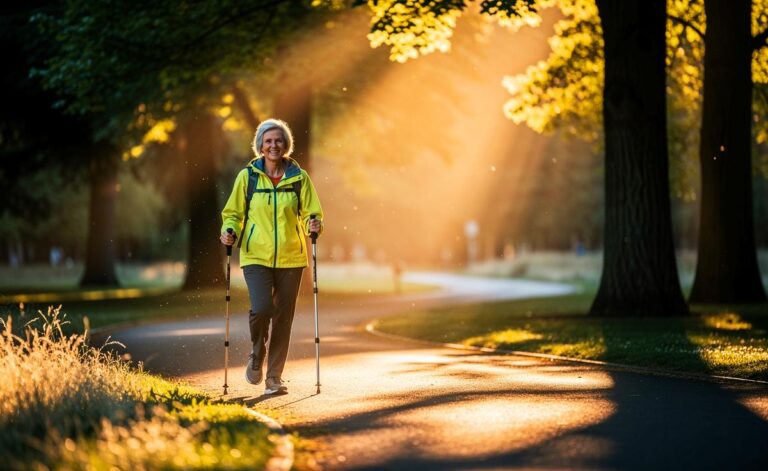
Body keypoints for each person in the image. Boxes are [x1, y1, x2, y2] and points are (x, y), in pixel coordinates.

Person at [220, 118, 323, 395]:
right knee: (262, 308)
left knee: (283, 318)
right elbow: (233, 213)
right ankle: (257, 354)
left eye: (278, 140)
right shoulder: (248, 177)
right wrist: (229, 230)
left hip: (291, 257)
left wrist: (314, 223)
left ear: (285, 144)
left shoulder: (299, 178)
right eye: (268, 141)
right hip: (256, 256)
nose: (273, 145)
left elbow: (310, 213)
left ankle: (274, 378)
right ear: (260, 146)